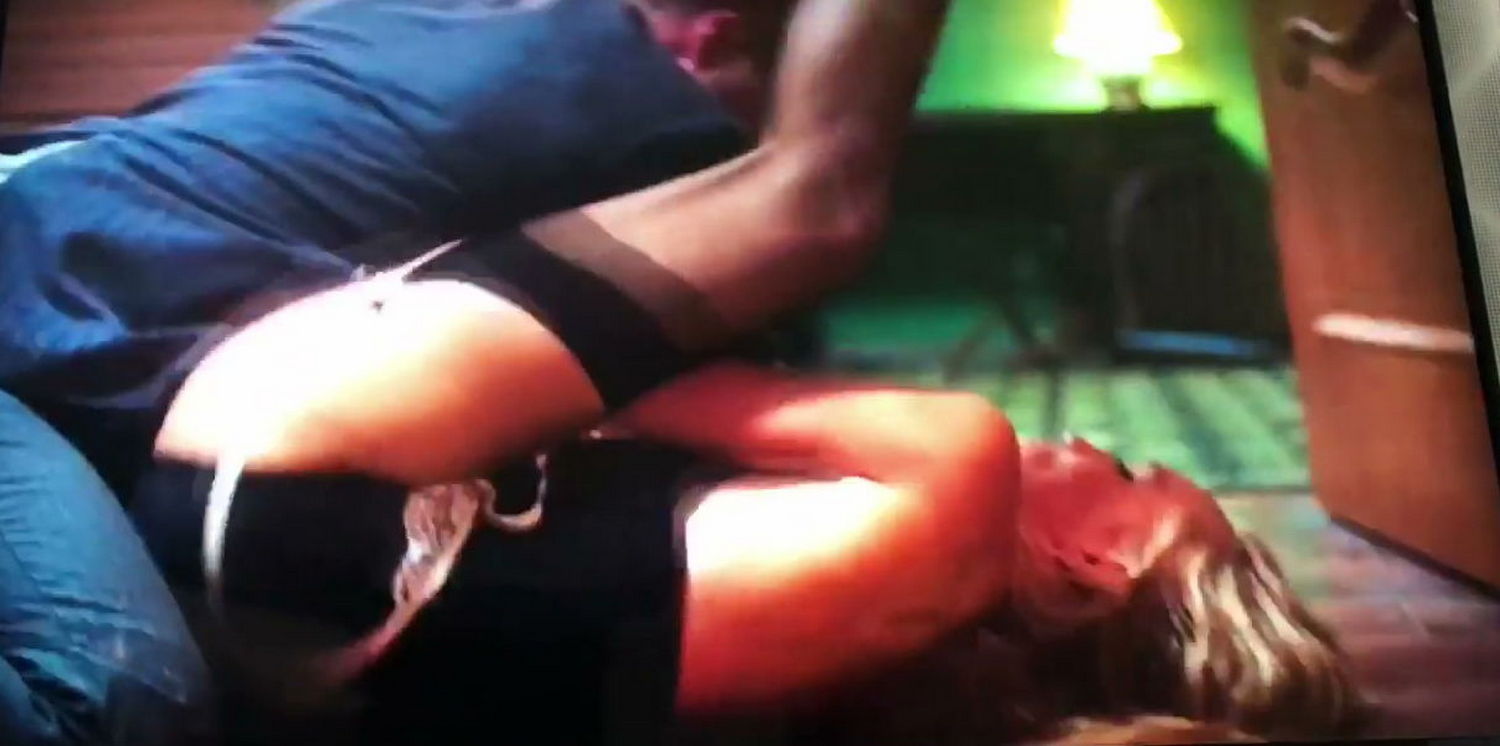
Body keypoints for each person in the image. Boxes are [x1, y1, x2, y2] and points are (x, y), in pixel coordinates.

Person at [0, 0, 936, 741]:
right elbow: (812, 210)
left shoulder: (405, 18)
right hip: (26, 324)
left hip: (35, 249)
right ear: (713, 42)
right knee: (113, 700)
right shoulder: (651, 117)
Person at [133, 362, 1365, 745]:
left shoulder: (952, 460)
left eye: (1132, 474)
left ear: (1099, 566)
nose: (1094, 439)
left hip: (255, 510)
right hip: (276, 665)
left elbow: (604, 367)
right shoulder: (871, 681)